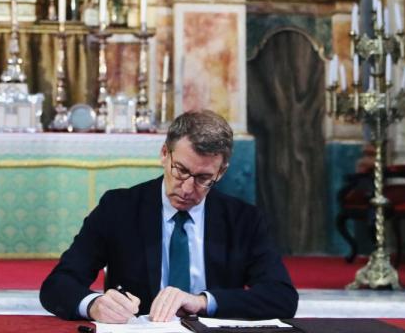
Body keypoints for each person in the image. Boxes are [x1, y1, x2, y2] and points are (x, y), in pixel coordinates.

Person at [40, 110, 298, 323]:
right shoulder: (119, 208)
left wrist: (201, 302)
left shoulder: (243, 220)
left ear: (221, 172)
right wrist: (94, 304)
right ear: (165, 154)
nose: (187, 189)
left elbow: (281, 297)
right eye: (181, 170)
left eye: (203, 178)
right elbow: (57, 284)